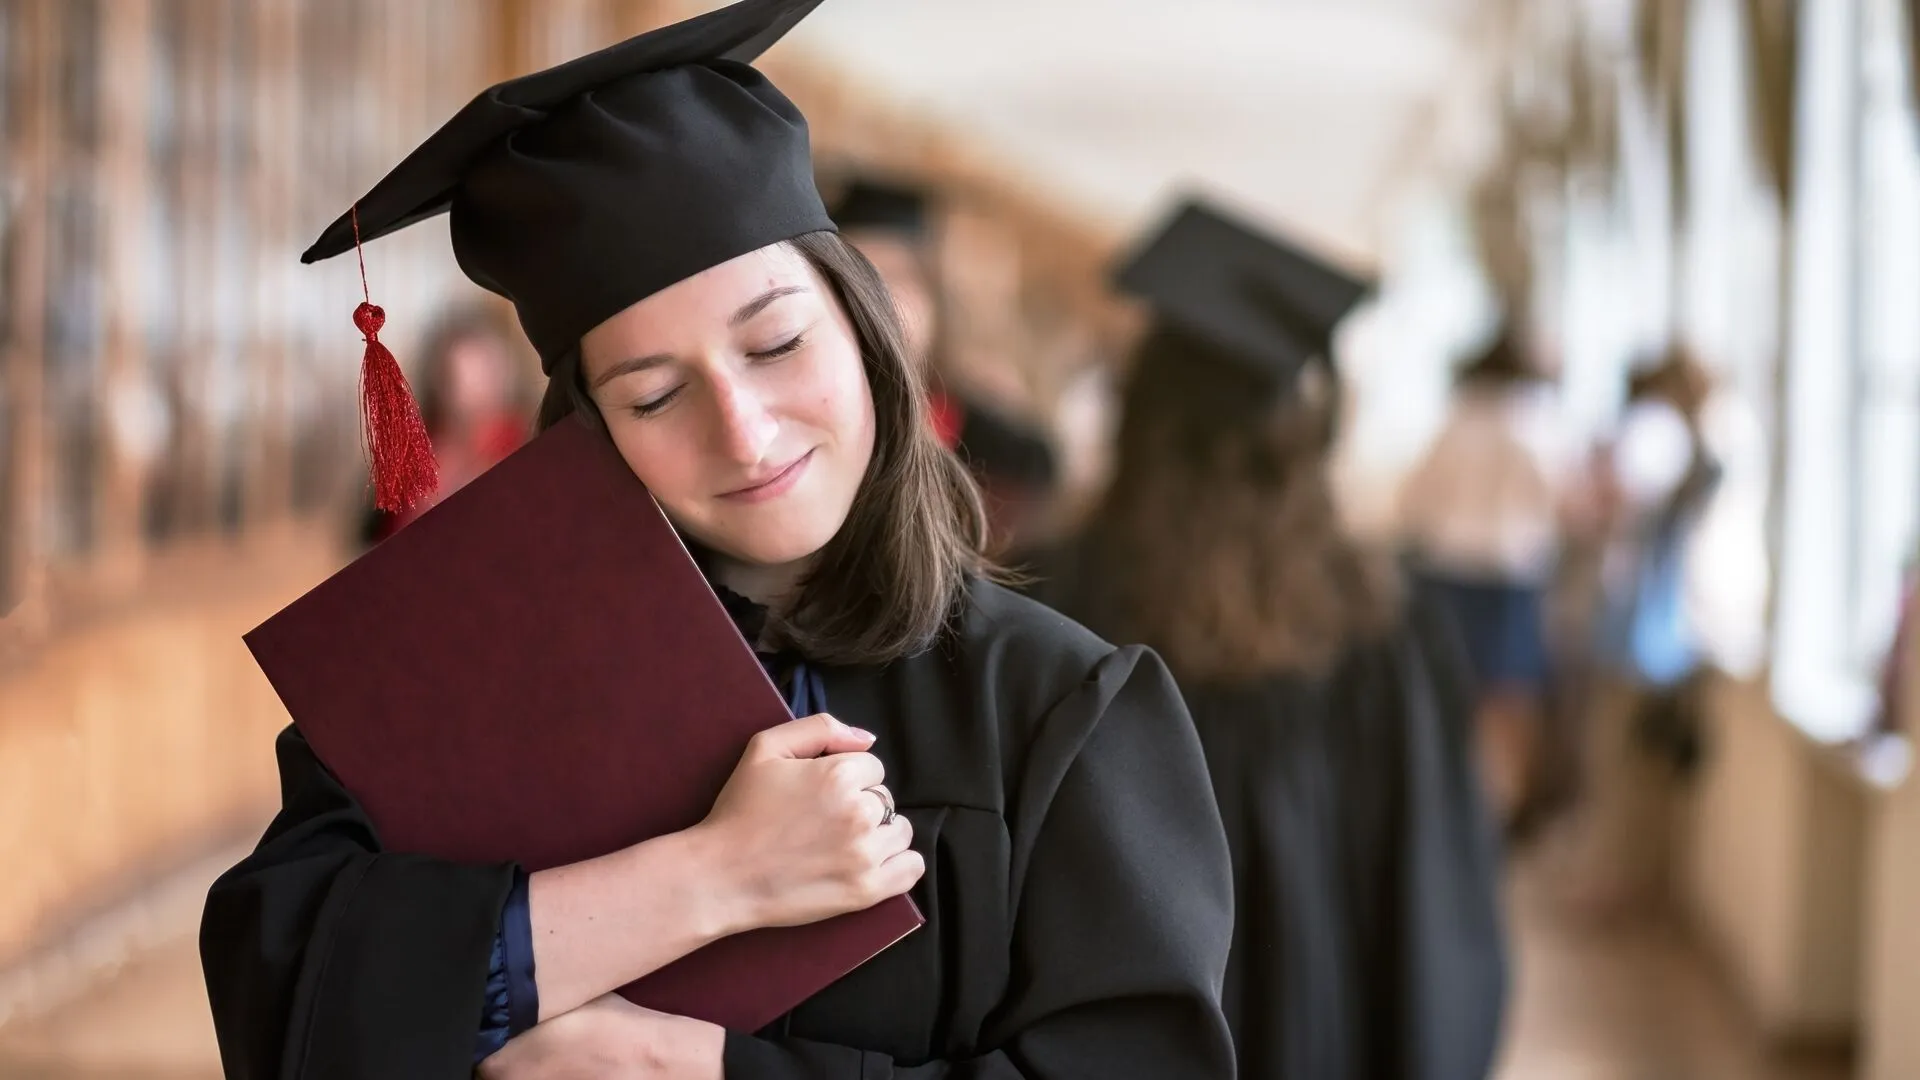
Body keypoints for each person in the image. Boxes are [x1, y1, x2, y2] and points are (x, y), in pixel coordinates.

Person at [197, 4, 1236, 1078]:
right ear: (589, 433)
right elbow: (290, 995)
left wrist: (694, 1070)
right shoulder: (461, 676)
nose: (744, 432)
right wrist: (709, 879)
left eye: (776, 342)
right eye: (653, 398)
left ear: (865, 324)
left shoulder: (1060, 711)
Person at [1035, 198, 1508, 1080]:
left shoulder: (1050, 607)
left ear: (1141, 418)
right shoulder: (1381, 629)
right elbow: (1437, 910)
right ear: (1305, 440)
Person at [825, 173, 1060, 558]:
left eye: (898, 276)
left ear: (933, 298)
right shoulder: (789, 427)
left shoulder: (1002, 450)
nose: (878, 299)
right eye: (857, 276)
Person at [1397, 330, 1575, 831]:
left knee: (1452, 701)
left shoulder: (1457, 422)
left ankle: (1455, 811)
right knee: (1510, 705)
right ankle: (1497, 814)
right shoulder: (1536, 423)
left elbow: (1413, 503)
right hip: (1508, 581)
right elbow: (1558, 502)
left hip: (1445, 574)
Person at [356, 303, 530, 546]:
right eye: (457, 377)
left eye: (482, 375)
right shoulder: (405, 461)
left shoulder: (528, 451)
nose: (471, 392)